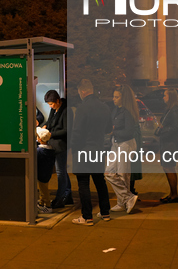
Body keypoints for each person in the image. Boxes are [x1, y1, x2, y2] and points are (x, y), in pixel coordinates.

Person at [71, 79, 113, 225]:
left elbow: (77, 132)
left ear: (83, 91)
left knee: (83, 183)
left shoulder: (82, 108)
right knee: (100, 182)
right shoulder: (105, 107)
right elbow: (108, 129)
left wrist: (73, 147)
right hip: (98, 150)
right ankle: (105, 212)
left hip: (83, 150)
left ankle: (87, 216)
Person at [105, 85, 139, 214]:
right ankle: (127, 198)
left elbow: (129, 132)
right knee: (109, 172)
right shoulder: (116, 110)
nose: (113, 99)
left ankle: (122, 202)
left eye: (116, 97)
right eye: (113, 96)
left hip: (126, 144)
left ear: (123, 98)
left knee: (123, 175)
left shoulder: (127, 112)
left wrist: (113, 132)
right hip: (116, 144)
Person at [41, 90, 74, 209]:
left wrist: (50, 133)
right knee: (62, 171)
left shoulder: (66, 111)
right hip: (54, 143)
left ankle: (60, 198)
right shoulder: (54, 110)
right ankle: (67, 194)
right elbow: (50, 122)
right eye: (49, 104)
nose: (50, 106)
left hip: (61, 144)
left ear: (58, 101)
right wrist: (45, 126)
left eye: (52, 104)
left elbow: (66, 130)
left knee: (60, 172)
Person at [157, 89, 178, 203]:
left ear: (171, 97)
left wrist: (162, 130)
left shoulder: (175, 111)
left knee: (169, 167)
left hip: (171, 143)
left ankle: (174, 195)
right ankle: (172, 194)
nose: (163, 97)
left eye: (165, 95)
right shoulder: (170, 109)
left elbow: (176, 128)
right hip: (167, 142)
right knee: (167, 167)